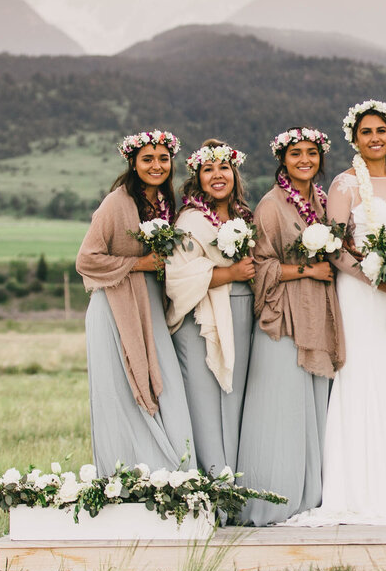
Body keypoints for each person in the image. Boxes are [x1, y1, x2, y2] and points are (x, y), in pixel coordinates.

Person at [286, 101, 386, 526]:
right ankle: (357, 488)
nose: (375, 138)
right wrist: (377, 279)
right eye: (367, 132)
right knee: (363, 381)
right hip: (361, 294)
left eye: (382, 131)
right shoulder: (344, 185)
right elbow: (334, 247)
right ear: (355, 138)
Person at [237, 127, 345, 525]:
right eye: (296, 153)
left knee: (312, 407)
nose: (305, 159)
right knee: (280, 406)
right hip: (281, 319)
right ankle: (271, 498)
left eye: (312, 153)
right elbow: (258, 267)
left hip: (317, 314)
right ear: (282, 158)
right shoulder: (270, 205)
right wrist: (308, 269)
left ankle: (308, 496)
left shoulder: (322, 200)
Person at [75, 130, 196, 476]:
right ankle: (125, 473)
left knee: (167, 385)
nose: (156, 166)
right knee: (120, 392)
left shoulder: (166, 203)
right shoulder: (117, 202)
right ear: (133, 162)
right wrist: (138, 264)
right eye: (147, 159)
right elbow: (86, 259)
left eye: (162, 158)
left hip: (152, 308)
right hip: (115, 309)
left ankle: (171, 472)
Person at [164, 140, 256, 478]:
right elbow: (176, 276)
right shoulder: (190, 220)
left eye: (223, 167)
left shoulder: (242, 216)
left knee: (234, 399)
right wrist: (229, 273)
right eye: (208, 169)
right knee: (205, 402)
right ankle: (214, 480)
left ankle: (237, 477)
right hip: (201, 319)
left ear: (234, 172)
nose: (217, 175)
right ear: (198, 178)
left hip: (240, 315)